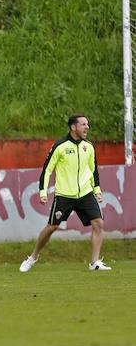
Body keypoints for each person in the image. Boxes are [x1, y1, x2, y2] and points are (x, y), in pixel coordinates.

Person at [19, 114, 110, 273]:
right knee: (52, 227)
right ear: (73, 127)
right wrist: (43, 192)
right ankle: (33, 257)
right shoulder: (60, 146)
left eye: (87, 124)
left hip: (86, 194)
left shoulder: (88, 146)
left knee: (99, 223)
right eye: (83, 124)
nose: (87, 127)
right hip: (64, 196)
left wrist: (97, 190)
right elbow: (47, 170)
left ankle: (94, 262)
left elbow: (93, 170)